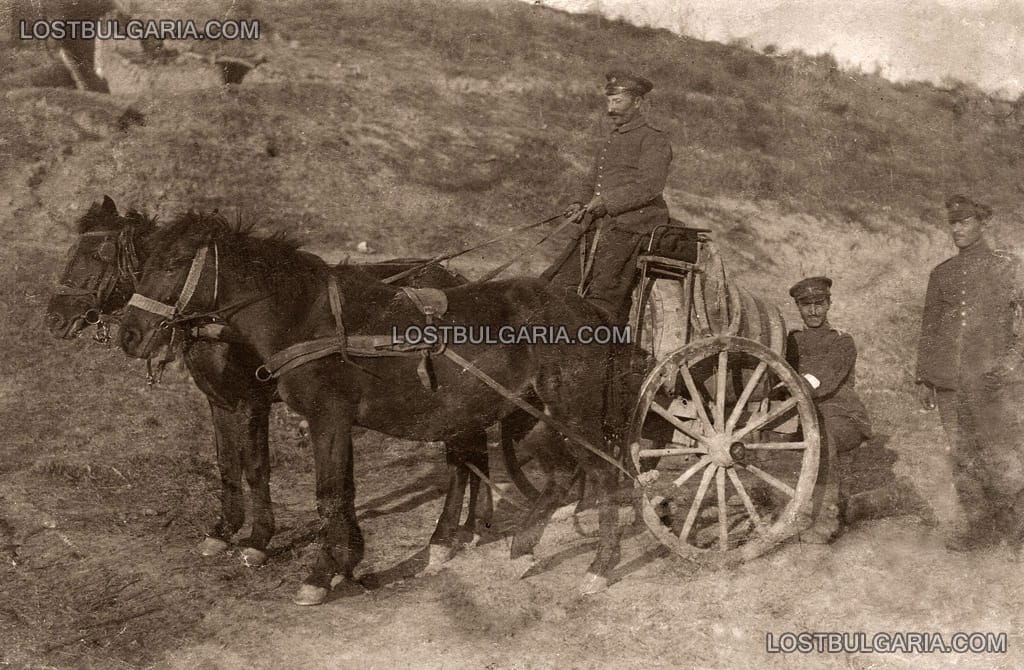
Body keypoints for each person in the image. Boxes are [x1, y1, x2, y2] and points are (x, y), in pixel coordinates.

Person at [915, 195, 1024, 552]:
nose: (958, 229)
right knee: (962, 454)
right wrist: (923, 378)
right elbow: (930, 328)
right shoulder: (942, 273)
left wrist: (1011, 364)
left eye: (965, 222)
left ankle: (1015, 529)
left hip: (992, 380)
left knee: (1001, 450)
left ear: (983, 223)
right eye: (953, 223)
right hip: (949, 381)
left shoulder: (1007, 267)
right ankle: (978, 527)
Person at [543, 70, 673, 325]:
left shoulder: (653, 139)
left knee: (603, 293)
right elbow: (592, 180)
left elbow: (650, 186)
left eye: (619, 101)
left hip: (632, 227)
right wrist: (579, 202)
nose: (612, 109)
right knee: (559, 282)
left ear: (637, 102)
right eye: (609, 101)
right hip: (600, 225)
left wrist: (607, 202)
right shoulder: (610, 141)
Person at [786, 276, 872, 543]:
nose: (813, 311)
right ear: (798, 307)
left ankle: (826, 520)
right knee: (813, 434)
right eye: (805, 305)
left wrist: (796, 385)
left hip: (843, 415)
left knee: (823, 438)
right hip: (807, 414)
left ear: (829, 304)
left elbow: (825, 376)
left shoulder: (842, 341)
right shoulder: (792, 341)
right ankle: (811, 509)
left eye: (819, 303)